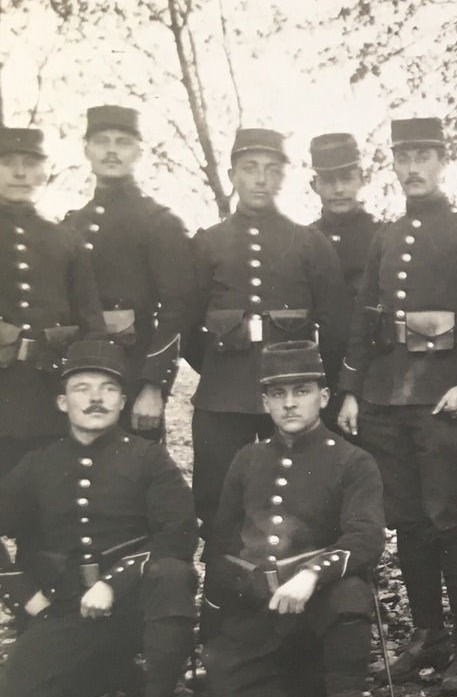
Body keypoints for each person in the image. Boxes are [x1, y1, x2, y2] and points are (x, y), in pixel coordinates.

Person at [338, 118, 457, 695]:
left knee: (449, 519)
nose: (413, 168)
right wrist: (353, 389)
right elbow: (364, 315)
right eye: (403, 157)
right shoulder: (385, 235)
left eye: (424, 156)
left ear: (442, 161)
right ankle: (427, 635)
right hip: (385, 395)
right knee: (406, 520)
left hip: (442, 398)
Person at [0, 339, 196, 697]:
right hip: (65, 609)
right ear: (61, 401)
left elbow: (179, 535)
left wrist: (115, 582)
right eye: (81, 388)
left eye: (107, 389)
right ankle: (108, 669)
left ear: (123, 400)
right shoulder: (38, 465)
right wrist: (26, 597)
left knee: (174, 575)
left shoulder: (148, 459)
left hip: (136, 607)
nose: (95, 399)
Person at [201, 341, 386, 697]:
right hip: (257, 611)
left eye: (300, 391)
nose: (289, 404)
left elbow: (365, 537)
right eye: (278, 394)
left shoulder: (353, 461)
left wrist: (310, 575)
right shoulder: (247, 459)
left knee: (351, 591)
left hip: (317, 609)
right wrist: (212, 625)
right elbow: (221, 542)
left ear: (323, 397)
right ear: (264, 402)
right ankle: (297, 691)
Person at [185, 129, 350, 549]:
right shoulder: (207, 243)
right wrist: (225, 372)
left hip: (293, 399)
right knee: (218, 502)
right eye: (250, 169)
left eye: (271, 171)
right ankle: (225, 602)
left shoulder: (309, 244)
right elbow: (188, 330)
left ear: (283, 179)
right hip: (223, 400)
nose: (261, 179)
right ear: (232, 175)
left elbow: (334, 329)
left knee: (298, 500)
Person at [62, 106, 193, 442]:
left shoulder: (159, 223)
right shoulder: (72, 225)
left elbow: (177, 310)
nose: (111, 150)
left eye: (122, 142)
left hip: (133, 373)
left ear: (138, 151)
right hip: (78, 372)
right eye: (101, 141)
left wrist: (154, 387)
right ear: (86, 149)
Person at [0, 127, 106, 480]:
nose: (19, 173)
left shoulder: (66, 239)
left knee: (46, 514)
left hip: (48, 400)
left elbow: (90, 322)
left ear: (45, 172)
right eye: (7, 163)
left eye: (29, 164)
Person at [309, 133, 381, 300]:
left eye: (347, 178)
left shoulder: (383, 236)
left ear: (363, 179)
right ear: (314, 185)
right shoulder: (303, 241)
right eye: (328, 181)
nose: (339, 189)